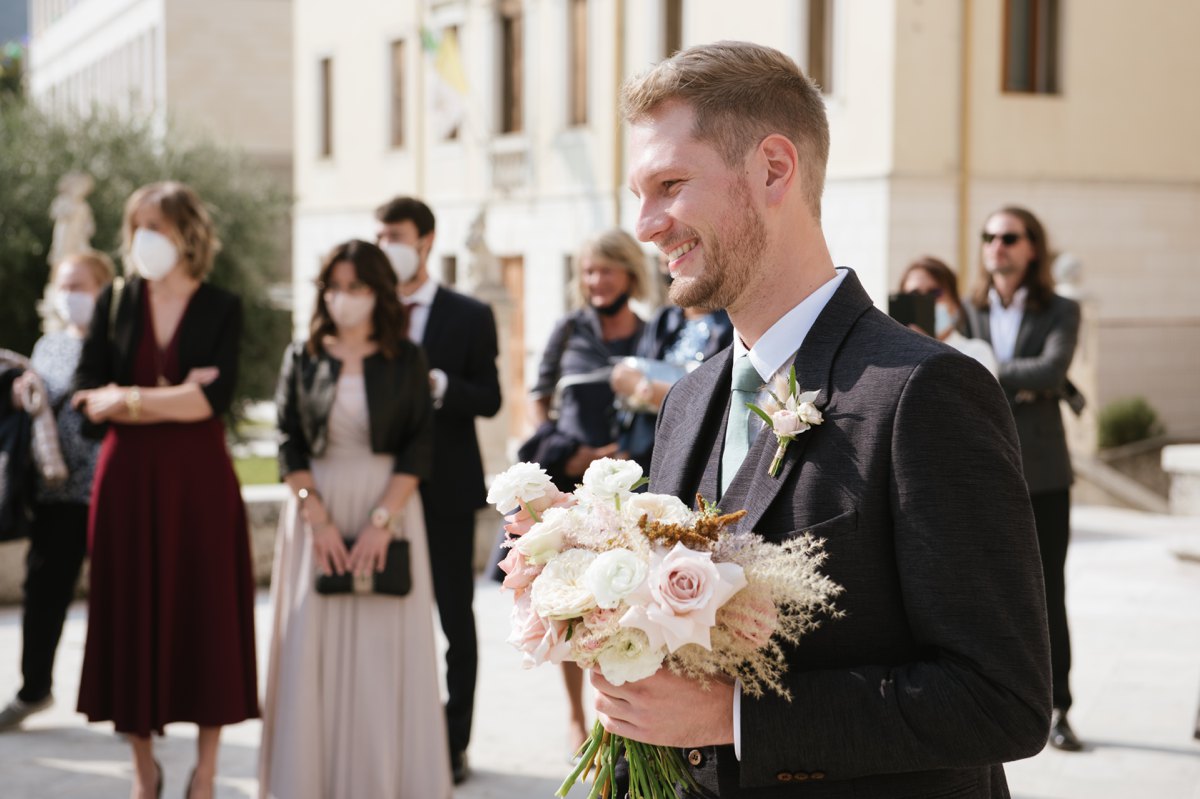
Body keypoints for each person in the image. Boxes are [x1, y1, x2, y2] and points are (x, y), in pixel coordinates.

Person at [590, 41, 1051, 798]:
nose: (645, 224)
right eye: (639, 193)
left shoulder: (927, 392)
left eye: (669, 183)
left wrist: (734, 717)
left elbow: (1002, 697)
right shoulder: (687, 401)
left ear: (775, 168)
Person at [72, 182, 258, 799]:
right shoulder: (117, 302)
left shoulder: (221, 305)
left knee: (207, 613)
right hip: (125, 484)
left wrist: (126, 398)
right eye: (135, 225)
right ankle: (142, 769)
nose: (142, 236)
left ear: (187, 233)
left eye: (156, 223)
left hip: (200, 483)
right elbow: (84, 400)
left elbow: (213, 400)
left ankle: (205, 773)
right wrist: (168, 398)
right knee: (127, 612)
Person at [259, 239, 450, 799]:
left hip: (388, 511)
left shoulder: (406, 357)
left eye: (357, 288)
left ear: (378, 293)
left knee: (381, 655)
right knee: (306, 650)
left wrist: (380, 522)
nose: (344, 299)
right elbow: (286, 439)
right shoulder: (302, 354)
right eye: (335, 287)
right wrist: (316, 518)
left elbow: (420, 445)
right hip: (312, 512)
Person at [373, 196, 501, 784]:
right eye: (379, 236)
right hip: (376, 489)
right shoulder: (364, 309)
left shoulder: (470, 314)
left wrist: (441, 384)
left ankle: (454, 742)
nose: (385, 246)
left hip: (446, 488)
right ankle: (390, 735)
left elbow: (491, 397)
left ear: (426, 240)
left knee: (454, 619)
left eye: (394, 235)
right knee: (384, 618)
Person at [963, 206, 1083, 753]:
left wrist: (982, 366)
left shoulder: (1061, 309)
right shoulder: (967, 310)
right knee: (979, 588)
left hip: (1044, 475)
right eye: (989, 237)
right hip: (980, 471)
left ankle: (1059, 708)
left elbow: (1052, 370)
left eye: (1009, 237)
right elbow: (949, 363)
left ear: (1031, 247)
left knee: (1047, 592)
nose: (997, 246)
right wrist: (1015, 377)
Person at [525, 227, 649, 754]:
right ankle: (579, 717)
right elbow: (539, 395)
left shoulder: (650, 332)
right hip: (574, 478)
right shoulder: (568, 330)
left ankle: (621, 718)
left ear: (629, 272)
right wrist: (564, 451)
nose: (596, 281)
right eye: (588, 271)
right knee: (572, 600)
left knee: (618, 603)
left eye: (606, 269)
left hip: (629, 482)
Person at [0, 250, 111, 732]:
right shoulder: (49, 345)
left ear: (105, 289)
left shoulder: (119, 343)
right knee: (43, 593)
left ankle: (124, 698)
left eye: (80, 285)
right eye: (64, 285)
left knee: (117, 596)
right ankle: (34, 688)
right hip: (56, 493)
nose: (71, 295)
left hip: (109, 491)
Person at [610, 298, 733, 473]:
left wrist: (647, 390)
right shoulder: (665, 318)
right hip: (649, 449)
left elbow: (718, 399)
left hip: (700, 453)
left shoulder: (730, 324)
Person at [898, 256, 999, 377]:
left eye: (934, 293)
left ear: (955, 303)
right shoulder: (893, 356)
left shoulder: (976, 353)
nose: (926, 301)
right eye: (915, 294)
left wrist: (925, 347)